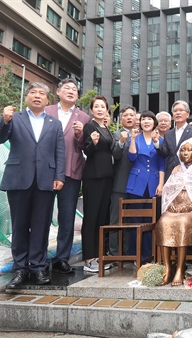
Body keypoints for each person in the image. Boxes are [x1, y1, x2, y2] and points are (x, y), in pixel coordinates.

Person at [0, 82, 65, 288]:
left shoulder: (54, 123)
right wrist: (3, 121)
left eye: (42, 93)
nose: (37, 96)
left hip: (46, 179)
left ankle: (38, 267)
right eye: (33, 93)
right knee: (20, 225)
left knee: (41, 226)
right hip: (18, 178)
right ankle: (20, 269)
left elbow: (60, 151)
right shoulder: (15, 118)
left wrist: (59, 176)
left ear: (47, 100)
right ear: (27, 97)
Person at [44, 78, 90, 274]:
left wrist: (80, 134)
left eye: (74, 89)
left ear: (78, 96)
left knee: (67, 216)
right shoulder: (46, 112)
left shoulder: (84, 118)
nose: (71, 91)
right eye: (67, 88)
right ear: (58, 92)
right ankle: (37, 257)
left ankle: (62, 258)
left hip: (71, 171)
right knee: (41, 215)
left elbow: (84, 147)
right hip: (45, 171)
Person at [156, 139, 192, 286]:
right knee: (163, 222)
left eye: (188, 150)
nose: (185, 153)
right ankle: (168, 267)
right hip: (175, 209)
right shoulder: (176, 169)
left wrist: (189, 204)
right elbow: (168, 190)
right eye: (182, 150)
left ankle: (180, 268)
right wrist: (172, 204)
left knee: (182, 223)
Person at [81, 96, 115, 273]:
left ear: (107, 110)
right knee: (91, 217)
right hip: (93, 176)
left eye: (103, 106)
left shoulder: (106, 128)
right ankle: (89, 258)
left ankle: (100, 255)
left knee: (102, 217)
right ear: (92, 110)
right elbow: (86, 150)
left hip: (107, 177)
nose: (100, 109)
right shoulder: (90, 126)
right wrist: (92, 143)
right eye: (96, 106)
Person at [126, 110, 165, 259]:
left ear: (154, 123)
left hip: (153, 183)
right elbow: (131, 156)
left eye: (149, 119)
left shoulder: (159, 140)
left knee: (151, 221)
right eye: (143, 119)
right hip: (136, 183)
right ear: (140, 123)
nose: (146, 121)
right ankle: (135, 255)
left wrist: (161, 184)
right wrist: (133, 139)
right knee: (135, 220)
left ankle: (149, 254)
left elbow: (162, 164)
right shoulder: (136, 138)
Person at [109, 106, 136, 256]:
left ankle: (129, 252)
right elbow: (116, 156)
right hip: (120, 184)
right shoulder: (115, 134)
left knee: (132, 220)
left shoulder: (140, 135)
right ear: (121, 119)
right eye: (126, 115)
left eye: (132, 115)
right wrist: (121, 142)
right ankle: (114, 253)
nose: (129, 117)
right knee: (116, 220)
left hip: (137, 186)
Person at [153, 100, 192, 181]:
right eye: (175, 111)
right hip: (170, 174)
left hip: (188, 175)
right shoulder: (168, 134)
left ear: (187, 114)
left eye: (181, 110)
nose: (178, 113)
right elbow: (165, 153)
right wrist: (156, 142)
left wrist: (182, 165)